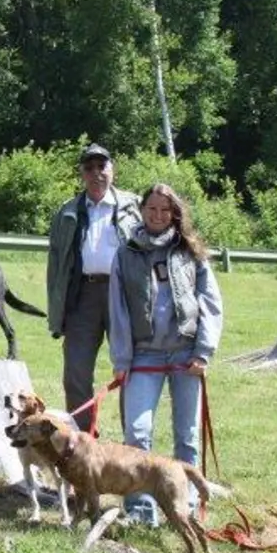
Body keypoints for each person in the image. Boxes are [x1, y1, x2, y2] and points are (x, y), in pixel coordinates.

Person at [107, 182, 224, 526]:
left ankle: (184, 509)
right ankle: (142, 513)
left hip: (186, 356)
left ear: (175, 213)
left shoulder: (189, 252)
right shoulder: (126, 253)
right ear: (141, 211)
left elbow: (211, 304)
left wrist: (203, 352)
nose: (158, 216)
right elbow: (119, 311)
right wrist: (122, 361)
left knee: (185, 438)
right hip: (144, 357)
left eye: (165, 210)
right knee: (137, 435)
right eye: (151, 209)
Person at [45, 144, 141, 433]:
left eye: (102, 166)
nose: (96, 173)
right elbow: (56, 266)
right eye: (89, 167)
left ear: (113, 169)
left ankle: (135, 441)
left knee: (130, 368)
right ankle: (83, 440)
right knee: (75, 371)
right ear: (81, 173)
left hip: (123, 295)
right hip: (82, 295)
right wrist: (56, 311)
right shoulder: (67, 211)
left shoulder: (135, 206)